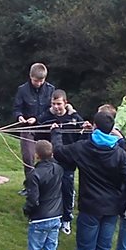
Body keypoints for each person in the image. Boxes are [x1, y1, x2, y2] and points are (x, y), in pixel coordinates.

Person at [52, 111, 126, 250]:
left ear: (94, 126)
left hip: (90, 207)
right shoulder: (119, 153)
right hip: (111, 208)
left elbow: (58, 152)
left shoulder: (84, 148)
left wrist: (56, 133)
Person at [17, 139, 64, 250]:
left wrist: (27, 211)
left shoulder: (34, 174)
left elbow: (33, 200)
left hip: (40, 218)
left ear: (37, 155)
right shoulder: (58, 169)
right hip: (55, 216)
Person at [37, 89, 88, 235]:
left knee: (66, 189)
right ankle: (48, 216)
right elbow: (38, 136)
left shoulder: (75, 118)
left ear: (65, 103)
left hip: (68, 161)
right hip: (51, 161)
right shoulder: (45, 117)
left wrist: (86, 130)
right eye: (53, 104)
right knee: (48, 189)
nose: (56, 107)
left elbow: (81, 140)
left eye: (59, 104)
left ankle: (66, 219)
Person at [13, 62, 55, 179]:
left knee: (49, 155)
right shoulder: (22, 90)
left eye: (41, 81)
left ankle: (48, 181)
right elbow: (17, 108)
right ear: (30, 76)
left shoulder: (51, 89)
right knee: (28, 157)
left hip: (45, 127)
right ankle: (30, 182)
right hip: (28, 127)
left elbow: (51, 110)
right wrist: (19, 116)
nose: (39, 83)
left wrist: (37, 118)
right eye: (36, 81)